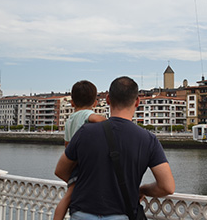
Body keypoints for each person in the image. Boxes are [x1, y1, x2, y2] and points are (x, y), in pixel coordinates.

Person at [55, 76, 175, 220]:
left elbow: (61, 170)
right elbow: (167, 186)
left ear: (108, 99)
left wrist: (86, 183)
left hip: (82, 213)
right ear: (137, 101)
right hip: (121, 214)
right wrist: (141, 190)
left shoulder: (85, 132)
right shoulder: (148, 139)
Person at [53, 80, 107, 220]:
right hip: (83, 164)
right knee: (70, 194)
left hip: (73, 162)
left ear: (72, 103)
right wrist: (109, 123)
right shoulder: (86, 114)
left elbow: (67, 144)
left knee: (68, 196)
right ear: (95, 103)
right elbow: (96, 119)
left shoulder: (70, 120)